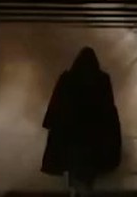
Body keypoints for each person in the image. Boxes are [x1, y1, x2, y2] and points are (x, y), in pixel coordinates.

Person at [41, 47, 121, 197]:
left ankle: (75, 192)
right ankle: (84, 192)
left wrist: (51, 121)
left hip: (72, 133)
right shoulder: (102, 79)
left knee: (73, 166)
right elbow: (108, 106)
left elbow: (57, 102)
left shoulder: (67, 79)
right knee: (89, 168)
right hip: (93, 134)